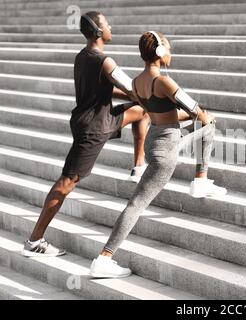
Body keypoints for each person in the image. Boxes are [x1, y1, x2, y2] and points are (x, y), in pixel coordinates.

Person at [89, 31, 227, 278]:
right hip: (166, 149)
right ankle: (104, 257)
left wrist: (194, 115)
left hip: (157, 138)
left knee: (136, 203)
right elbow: (198, 113)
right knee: (136, 204)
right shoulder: (164, 82)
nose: (171, 54)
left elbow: (163, 113)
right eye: (169, 49)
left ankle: (201, 180)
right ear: (160, 52)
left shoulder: (137, 82)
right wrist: (206, 116)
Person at [22, 12, 151, 257]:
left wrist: (141, 99)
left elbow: (107, 91)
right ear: (99, 32)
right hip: (94, 127)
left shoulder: (82, 56)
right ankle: (34, 240)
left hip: (100, 118)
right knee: (66, 183)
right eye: (107, 24)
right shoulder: (106, 61)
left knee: (140, 111)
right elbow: (131, 88)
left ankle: (138, 166)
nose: (111, 26)